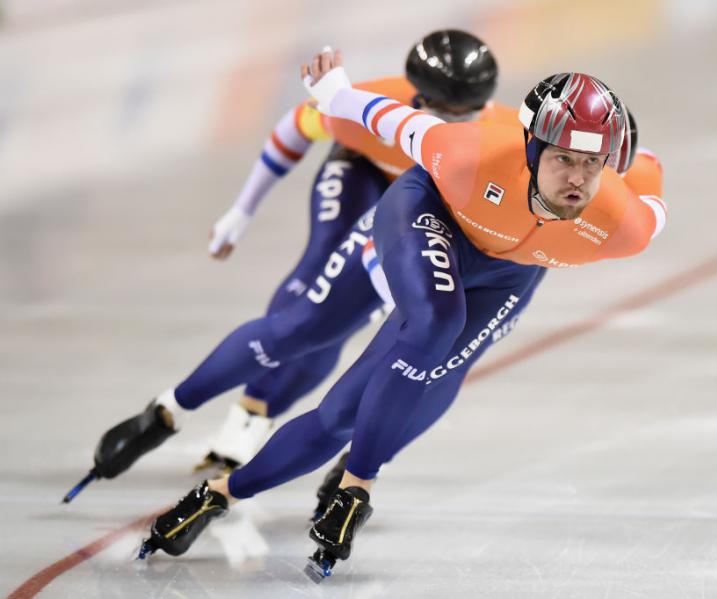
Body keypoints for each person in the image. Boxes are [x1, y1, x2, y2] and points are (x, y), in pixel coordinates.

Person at [135, 47, 665, 582]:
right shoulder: (468, 154)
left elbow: (652, 186)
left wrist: (645, 171)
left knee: (348, 411)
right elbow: (396, 120)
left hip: (510, 271)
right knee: (436, 323)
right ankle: (357, 486)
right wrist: (338, 94)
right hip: (429, 214)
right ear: (530, 148)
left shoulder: (622, 226)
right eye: (563, 159)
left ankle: (216, 495)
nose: (577, 178)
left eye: (592, 163)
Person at [62, 31, 524, 510]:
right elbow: (294, 131)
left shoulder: (497, 137)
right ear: (417, 98)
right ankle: (169, 412)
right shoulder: (374, 109)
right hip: (365, 180)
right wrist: (241, 211)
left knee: (433, 356)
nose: (455, 124)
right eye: (444, 113)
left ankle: (304, 433)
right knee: (312, 313)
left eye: (469, 114)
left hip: (426, 205)